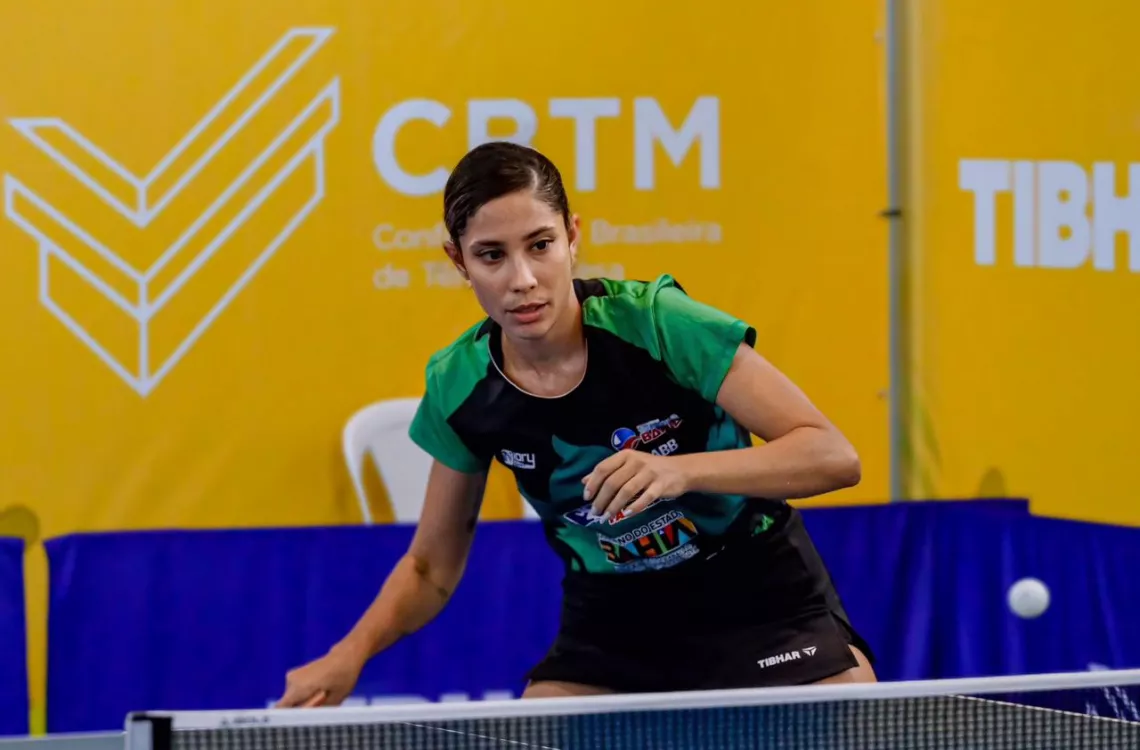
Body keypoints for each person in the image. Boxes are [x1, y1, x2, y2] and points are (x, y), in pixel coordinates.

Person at [277, 141, 876, 708]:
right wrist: (348, 656)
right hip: (616, 617)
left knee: (851, 720)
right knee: (537, 730)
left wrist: (681, 472)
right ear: (458, 261)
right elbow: (430, 568)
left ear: (572, 236)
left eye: (540, 244)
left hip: (755, 588)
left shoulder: (657, 324)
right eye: (492, 255)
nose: (522, 279)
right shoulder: (460, 386)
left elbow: (831, 456)